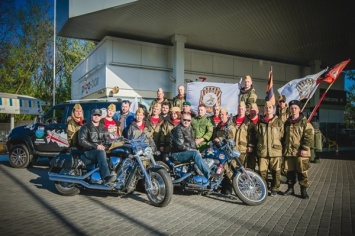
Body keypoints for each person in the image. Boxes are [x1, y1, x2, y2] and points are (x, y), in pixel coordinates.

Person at [282, 100, 314, 199]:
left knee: (302, 171)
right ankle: (290, 188)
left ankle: (303, 190)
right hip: (289, 152)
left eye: (295, 108)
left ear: (299, 109)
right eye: (292, 108)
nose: (293, 110)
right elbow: (283, 136)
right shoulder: (287, 122)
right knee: (289, 171)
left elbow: (309, 135)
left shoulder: (304, 122)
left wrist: (304, 148)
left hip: (301, 152)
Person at [253, 101, 284, 196]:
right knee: (262, 172)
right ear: (264, 109)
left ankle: (274, 188)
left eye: (270, 107)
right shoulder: (260, 122)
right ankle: (264, 188)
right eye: (266, 107)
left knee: (276, 172)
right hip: (263, 151)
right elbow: (257, 136)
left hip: (275, 151)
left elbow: (282, 135)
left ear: (273, 108)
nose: (268, 109)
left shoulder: (279, 121)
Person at [78, 109, 116, 184]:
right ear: (91, 115)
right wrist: (96, 146)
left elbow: (107, 140)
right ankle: (106, 177)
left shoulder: (103, 128)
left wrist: (105, 146)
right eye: (95, 115)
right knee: (101, 152)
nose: (96, 116)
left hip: (100, 150)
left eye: (98, 115)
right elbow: (81, 141)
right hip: (88, 151)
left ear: (100, 117)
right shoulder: (85, 127)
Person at [171, 113, 211, 180]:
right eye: (184, 120)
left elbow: (192, 143)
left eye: (188, 120)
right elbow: (181, 146)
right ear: (181, 119)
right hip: (178, 153)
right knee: (195, 154)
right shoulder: (178, 129)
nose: (186, 122)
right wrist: (194, 150)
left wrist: (196, 149)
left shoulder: (190, 129)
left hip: (186, 152)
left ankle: (200, 176)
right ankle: (208, 174)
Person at [212, 107, 236, 194]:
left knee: (228, 171)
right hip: (220, 151)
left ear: (227, 114)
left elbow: (231, 137)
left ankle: (229, 190)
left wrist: (220, 138)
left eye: (223, 114)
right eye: (220, 114)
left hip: (228, 151)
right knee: (220, 170)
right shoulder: (219, 125)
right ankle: (222, 188)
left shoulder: (230, 126)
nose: (221, 116)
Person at [231, 101, 255, 167]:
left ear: (245, 109)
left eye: (242, 109)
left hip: (243, 150)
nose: (240, 110)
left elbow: (252, 135)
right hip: (233, 149)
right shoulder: (232, 120)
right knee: (232, 168)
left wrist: (250, 146)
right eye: (239, 108)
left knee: (242, 169)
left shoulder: (249, 122)